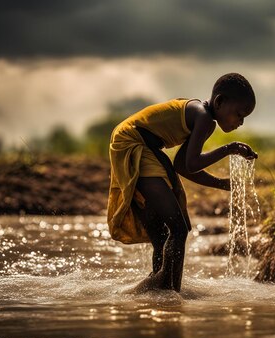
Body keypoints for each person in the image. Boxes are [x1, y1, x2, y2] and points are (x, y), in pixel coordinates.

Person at [107, 73, 258, 292]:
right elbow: (192, 162)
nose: (241, 122)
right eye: (239, 114)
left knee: (164, 234)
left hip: (139, 143)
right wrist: (229, 148)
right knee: (179, 229)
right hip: (133, 142)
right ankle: (169, 291)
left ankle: (158, 291)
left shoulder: (200, 116)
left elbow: (181, 166)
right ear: (219, 102)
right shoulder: (204, 118)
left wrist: (221, 184)